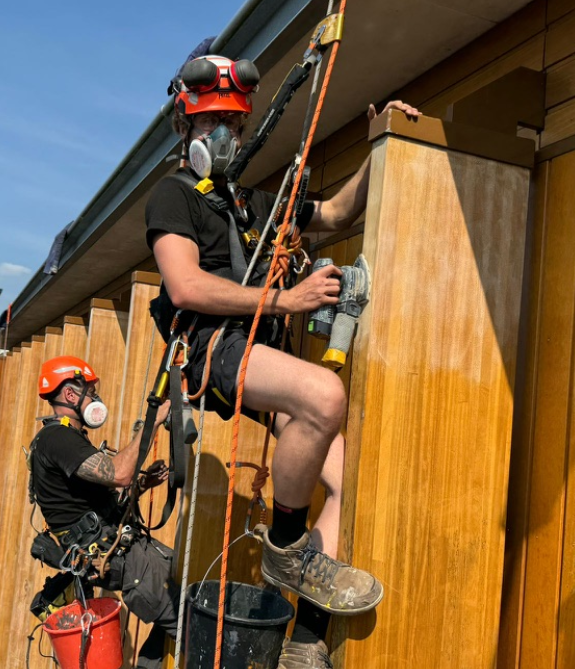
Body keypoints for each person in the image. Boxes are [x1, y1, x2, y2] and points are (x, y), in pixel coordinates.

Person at [146, 53, 420, 668]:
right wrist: (285, 298)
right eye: (212, 123)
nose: (226, 136)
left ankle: (307, 635)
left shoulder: (251, 206)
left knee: (349, 479)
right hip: (213, 350)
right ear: (184, 127)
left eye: (237, 126)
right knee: (324, 396)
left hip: (260, 354)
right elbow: (185, 287)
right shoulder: (173, 196)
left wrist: (385, 145)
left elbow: (335, 214)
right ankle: (288, 545)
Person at [30, 356, 173, 669]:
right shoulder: (58, 438)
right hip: (114, 554)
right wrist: (154, 419)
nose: (96, 399)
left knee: (181, 599)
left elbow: (97, 509)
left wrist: (142, 485)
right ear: (71, 394)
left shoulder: (68, 438)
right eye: (91, 392)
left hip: (119, 547)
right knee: (185, 620)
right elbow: (119, 473)